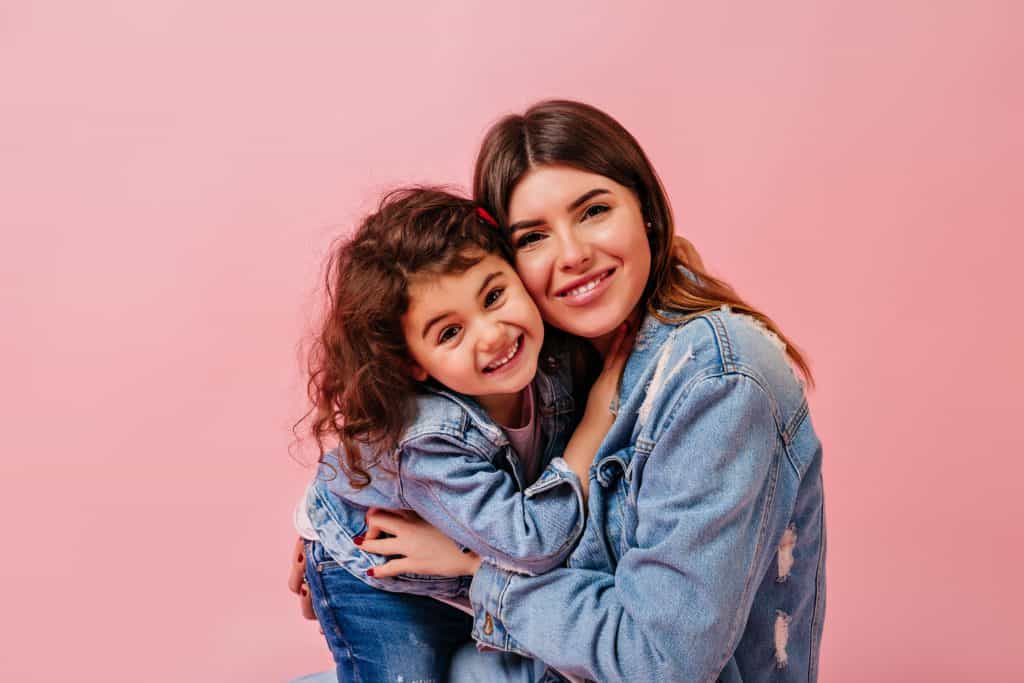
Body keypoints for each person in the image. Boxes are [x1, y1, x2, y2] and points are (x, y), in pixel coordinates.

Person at [291, 99, 826, 682]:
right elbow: (428, 452)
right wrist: (334, 532)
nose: (572, 256)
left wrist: (473, 571)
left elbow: (661, 663)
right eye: (534, 236)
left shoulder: (715, 380)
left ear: (644, 208)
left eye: (594, 211)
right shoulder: (552, 354)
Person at [291, 187, 633, 683]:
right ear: (412, 364)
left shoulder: (552, 356)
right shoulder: (426, 438)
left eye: (494, 296)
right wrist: (596, 422)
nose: (492, 335)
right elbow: (530, 544)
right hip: (375, 575)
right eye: (449, 333)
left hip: (461, 556)